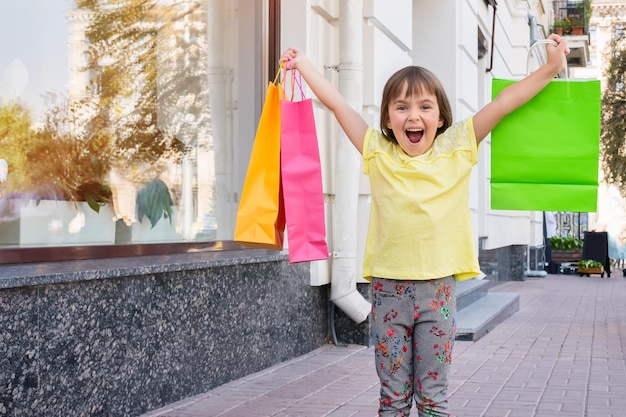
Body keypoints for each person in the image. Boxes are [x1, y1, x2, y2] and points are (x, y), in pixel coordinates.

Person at [280, 33, 569, 417]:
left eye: (425, 107)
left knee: (433, 398)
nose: (413, 116)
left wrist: (550, 69)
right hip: (387, 292)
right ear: (387, 118)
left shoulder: (458, 147)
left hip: (438, 294)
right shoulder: (377, 151)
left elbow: (503, 103)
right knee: (393, 398)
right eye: (401, 107)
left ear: (441, 117)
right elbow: (337, 105)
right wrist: (304, 65)